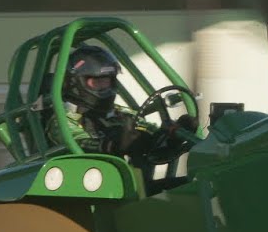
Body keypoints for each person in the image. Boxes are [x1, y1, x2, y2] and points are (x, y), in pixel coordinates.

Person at [44, 44, 192, 163]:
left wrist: (172, 135)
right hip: (84, 186)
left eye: (107, 81)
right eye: (97, 81)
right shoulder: (63, 118)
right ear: (74, 82)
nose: (104, 87)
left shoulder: (121, 113)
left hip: (129, 185)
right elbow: (77, 142)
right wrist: (115, 145)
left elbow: (149, 136)